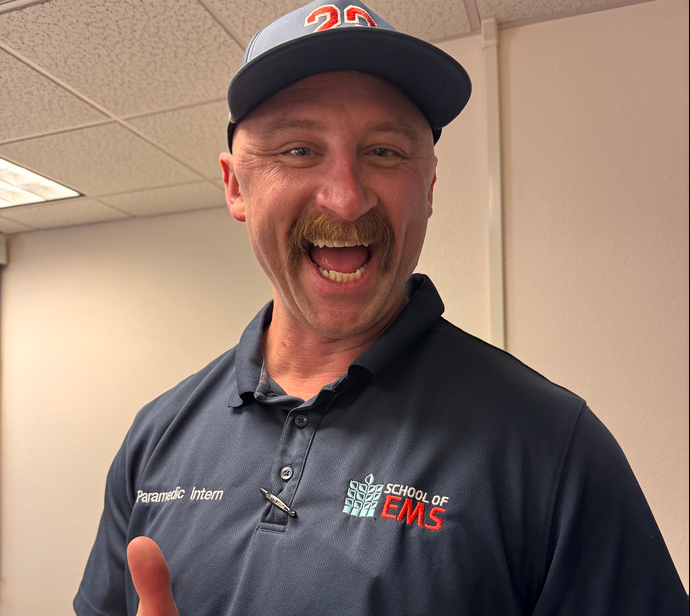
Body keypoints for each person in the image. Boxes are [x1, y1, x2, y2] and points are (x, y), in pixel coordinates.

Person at [74, 1, 688, 615]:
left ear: (429, 187)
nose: (346, 199)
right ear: (236, 186)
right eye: (298, 150)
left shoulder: (552, 446)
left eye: (386, 152)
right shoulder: (156, 435)